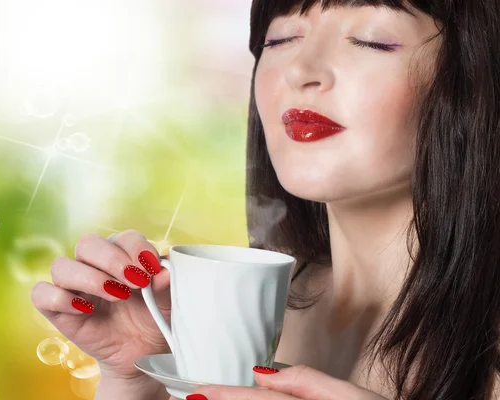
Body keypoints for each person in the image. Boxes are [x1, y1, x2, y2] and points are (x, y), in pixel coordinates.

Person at [31, 0, 500, 399]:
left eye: (371, 40)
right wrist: (136, 380)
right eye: (279, 40)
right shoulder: (246, 319)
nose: (300, 71)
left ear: (473, 77)